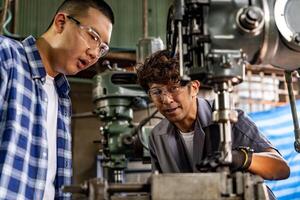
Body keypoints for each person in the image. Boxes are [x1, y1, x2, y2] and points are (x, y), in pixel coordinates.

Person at [136, 49, 290, 199]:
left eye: (174, 88)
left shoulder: (231, 119)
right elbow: (160, 190)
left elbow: (281, 168)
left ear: (194, 88)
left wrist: (241, 158)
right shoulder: (157, 137)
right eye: (157, 92)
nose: (166, 100)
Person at [0, 0, 114, 199]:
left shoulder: (62, 97)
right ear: (61, 22)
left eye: (102, 48)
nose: (95, 53)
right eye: (93, 36)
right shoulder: (6, 58)